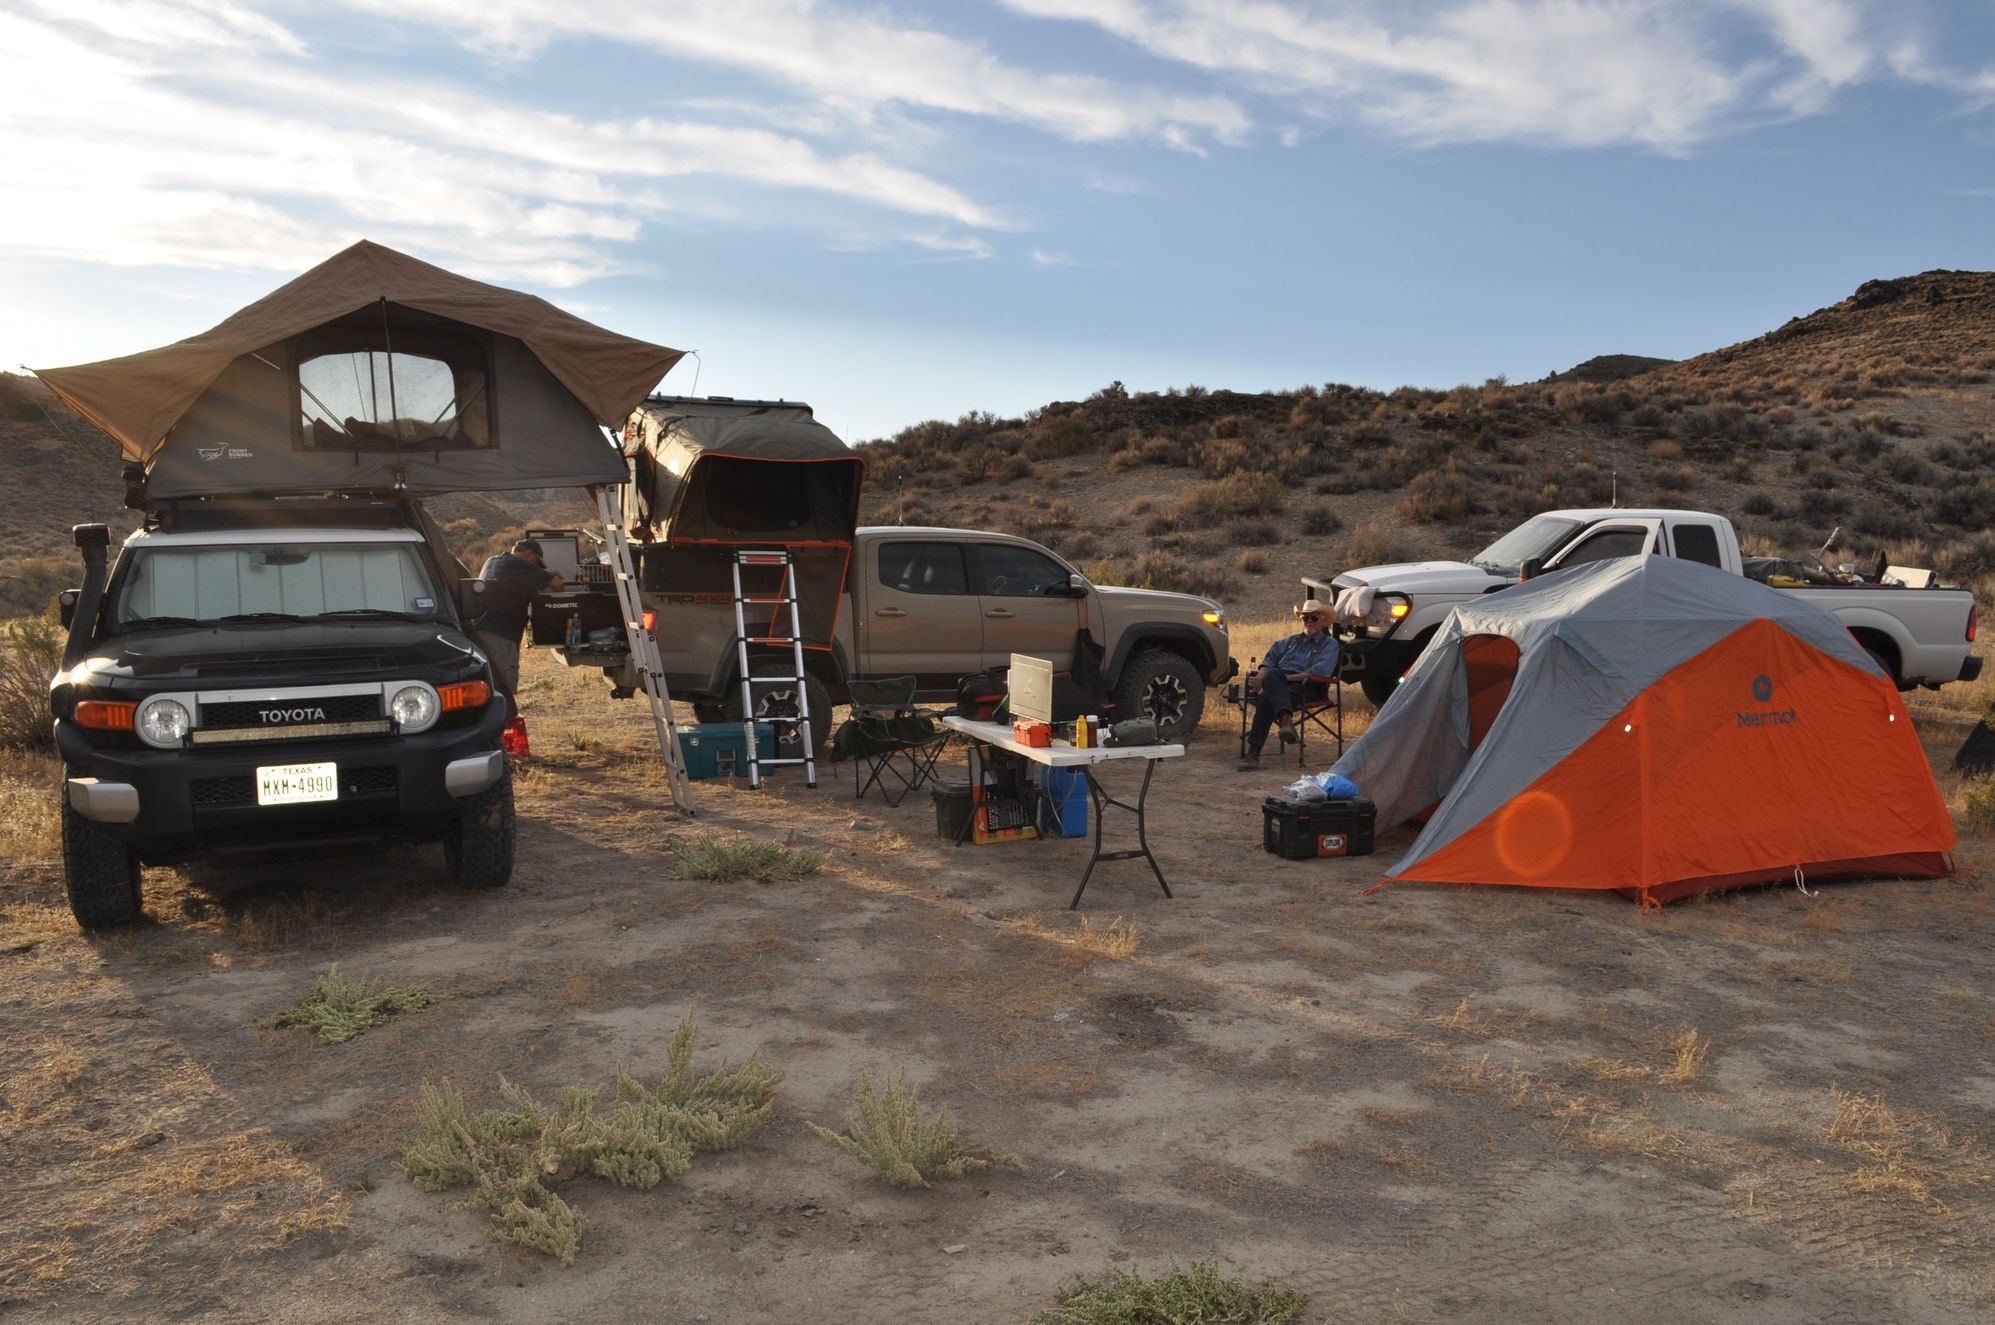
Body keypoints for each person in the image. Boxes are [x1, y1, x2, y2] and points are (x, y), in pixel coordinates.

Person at [1237, 598, 1340, 770]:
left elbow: (1321, 671)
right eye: (1305, 618)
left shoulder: (1330, 644)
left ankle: (1253, 753)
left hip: (1308, 687)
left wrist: (1284, 678)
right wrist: (1263, 670)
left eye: (1313, 618)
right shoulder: (1290, 642)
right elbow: (1270, 658)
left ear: (1323, 621)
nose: (1308, 621)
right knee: (1271, 681)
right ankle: (1286, 721)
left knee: (1267, 696)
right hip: (1280, 685)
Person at [476, 538, 564, 703]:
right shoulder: (519, 565)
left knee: (490, 683)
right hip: (500, 634)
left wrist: (542, 576)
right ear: (530, 554)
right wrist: (551, 578)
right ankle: (505, 717)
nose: (536, 568)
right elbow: (557, 584)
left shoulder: (494, 561)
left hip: (484, 630)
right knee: (504, 686)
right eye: (537, 563)